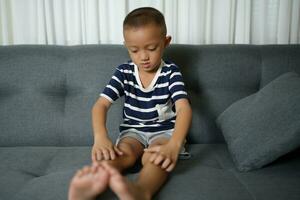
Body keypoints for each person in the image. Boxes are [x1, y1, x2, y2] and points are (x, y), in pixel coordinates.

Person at [68, 7, 192, 200]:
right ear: (126, 46)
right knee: (123, 152)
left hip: (164, 132)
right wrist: (100, 137)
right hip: (133, 132)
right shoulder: (124, 72)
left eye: (151, 48)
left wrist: (175, 144)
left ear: (165, 42)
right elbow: (100, 105)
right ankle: (95, 183)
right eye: (134, 50)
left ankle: (141, 190)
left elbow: (183, 107)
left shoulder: (171, 73)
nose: (143, 57)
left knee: (155, 156)